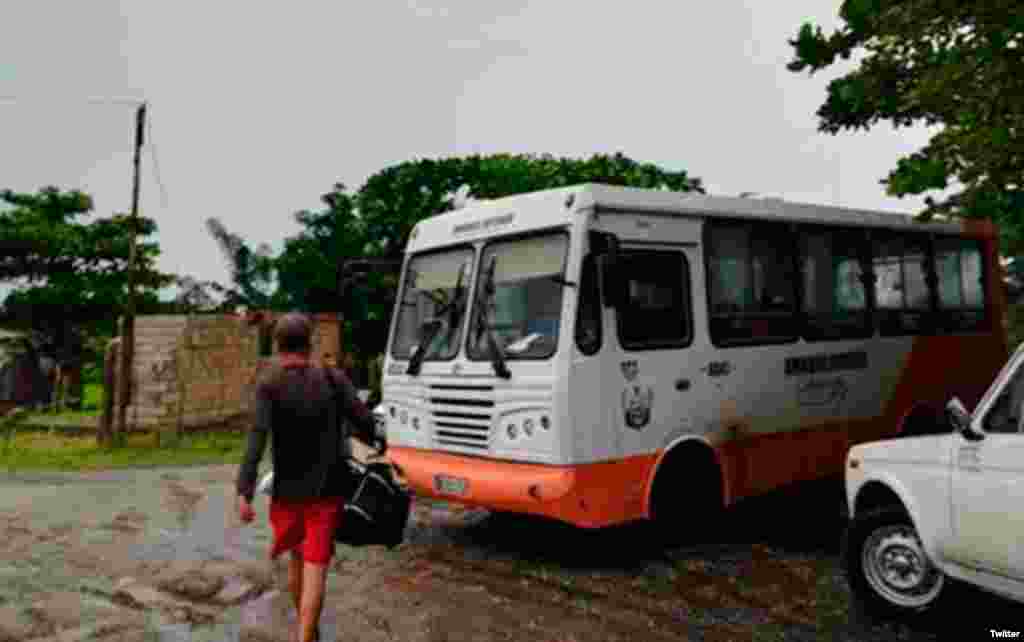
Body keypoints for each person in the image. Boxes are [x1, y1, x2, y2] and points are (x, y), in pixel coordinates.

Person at [236, 313, 379, 642]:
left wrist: (244, 491)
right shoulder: (332, 378)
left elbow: (257, 438)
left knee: (297, 561)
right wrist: (356, 437)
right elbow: (366, 422)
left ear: (277, 345)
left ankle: (307, 634)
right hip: (326, 491)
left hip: (286, 494)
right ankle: (306, 636)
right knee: (316, 569)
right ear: (309, 344)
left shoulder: (269, 384)